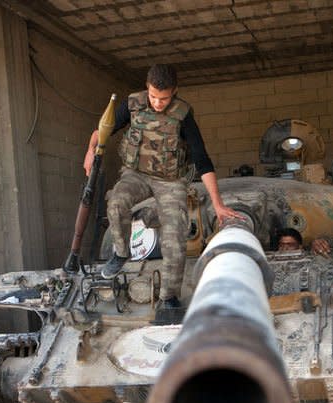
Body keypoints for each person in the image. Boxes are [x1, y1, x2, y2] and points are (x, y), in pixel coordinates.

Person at [84, 64, 242, 312]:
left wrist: (219, 205)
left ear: (175, 92)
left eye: (164, 98)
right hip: (136, 174)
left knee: (175, 237)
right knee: (116, 202)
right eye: (154, 96)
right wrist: (90, 150)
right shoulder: (133, 104)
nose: (158, 103)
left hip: (171, 181)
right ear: (147, 88)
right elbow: (102, 131)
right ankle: (122, 253)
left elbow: (202, 159)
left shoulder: (182, 114)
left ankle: (168, 298)